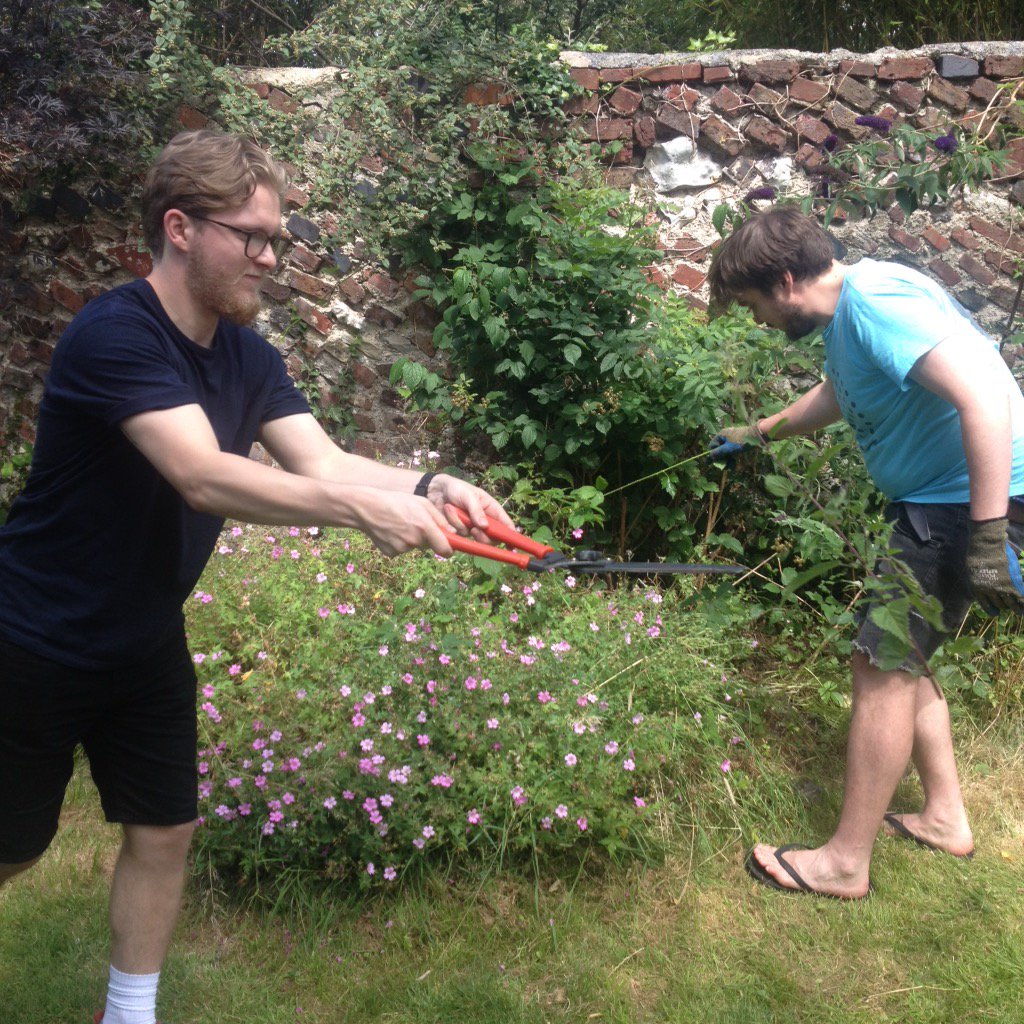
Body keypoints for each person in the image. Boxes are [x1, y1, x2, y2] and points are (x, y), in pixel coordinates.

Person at [0, 129, 514, 1024]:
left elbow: (321, 458)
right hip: (34, 636)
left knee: (165, 831)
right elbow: (201, 473)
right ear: (181, 228)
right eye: (256, 236)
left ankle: (127, 1015)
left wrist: (432, 486)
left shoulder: (247, 354)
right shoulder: (115, 334)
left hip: (144, 637)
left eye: (280, 239)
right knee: (11, 847)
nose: (274, 258)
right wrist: (359, 515)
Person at [707, 205, 1024, 900]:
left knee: (878, 663)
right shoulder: (855, 308)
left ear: (785, 281)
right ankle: (943, 816)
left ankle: (845, 862)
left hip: (960, 505)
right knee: (904, 657)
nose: (757, 319)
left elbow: (986, 398)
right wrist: (758, 431)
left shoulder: (876, 304)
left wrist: (989, 535)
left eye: (755, 304)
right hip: (936, 502)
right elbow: (845, 392)